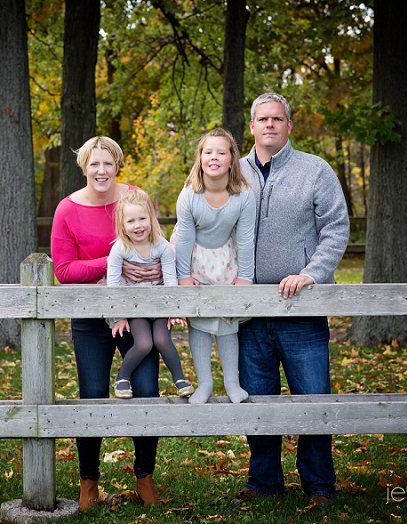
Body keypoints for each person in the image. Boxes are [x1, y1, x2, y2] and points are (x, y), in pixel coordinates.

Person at [237, 93, 349, 505]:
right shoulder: (231, 171)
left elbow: (336, 229)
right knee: (258, 397)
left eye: (277, 119)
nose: (270, 125)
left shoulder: (314, 171)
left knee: (313, 398)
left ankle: (319, 484)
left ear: (289, 126)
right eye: (262, 119)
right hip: (248, 311)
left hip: (301, 308)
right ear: (251, 126)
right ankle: (264, 481)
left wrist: (310, 273)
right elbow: (206, 223)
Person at [50, 136, 163, 510]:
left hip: (137, 315)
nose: (101, 171)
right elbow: (65, 271)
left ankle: (144, 477)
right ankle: (88, 482)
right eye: (93, 164)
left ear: (118, 165)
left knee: (147, 391)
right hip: (90, 317)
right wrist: (115, 258)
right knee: (92, 396)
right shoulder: (67, 209)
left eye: (108, 163)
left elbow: (157, 245)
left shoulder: (135, 198)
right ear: (84, 166)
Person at [174, 128, 256, 405]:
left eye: (222, 152)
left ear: (232, 160)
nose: (214, 157)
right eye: (208, 152)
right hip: (196, 259)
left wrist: (245, 276)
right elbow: (184, 237)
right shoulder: (189, 194)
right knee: (199, 322)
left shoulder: (243, 195)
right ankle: (205, 383)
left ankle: (232, 383)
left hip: (226, 259)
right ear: (200, 158)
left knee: (227, 322)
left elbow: (246, 237)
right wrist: (183, 276)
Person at [107, 189, 194, 399]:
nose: (138, 225)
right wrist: (118, 317)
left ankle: (180, 379)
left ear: (151, 220)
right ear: (123, 226)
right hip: (135, 307)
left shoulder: (162, 247)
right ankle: (122, 378)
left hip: (160, 304)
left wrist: (173, 311)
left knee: (163, 340)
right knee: (145, 343)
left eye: (142, 218)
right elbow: (112, 285)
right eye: (131, 221)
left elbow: (171, 280)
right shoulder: (120, 249)